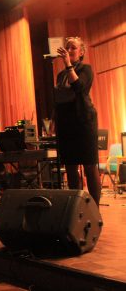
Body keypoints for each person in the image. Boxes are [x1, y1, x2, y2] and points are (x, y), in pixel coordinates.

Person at [54, 36, 101, 205]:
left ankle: (95, 209)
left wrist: (68, 64)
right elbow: (58, 98)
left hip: (83, 123)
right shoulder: (60, 76)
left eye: (73, 48)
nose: (69, 50)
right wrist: (54, 121)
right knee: (71, 166)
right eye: (67, 47)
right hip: (66, 124)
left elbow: (79, 88)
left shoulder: (85, 69)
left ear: (81, 52)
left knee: (89, 165)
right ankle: (77, 207)